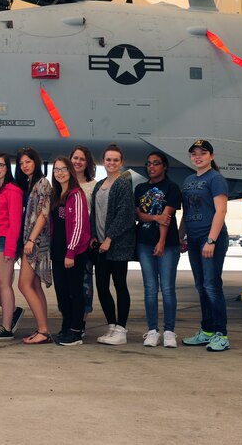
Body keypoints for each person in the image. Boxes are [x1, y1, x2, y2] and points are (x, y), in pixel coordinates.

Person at [179, 139, 231, 352]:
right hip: (192, 239)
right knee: (201, 286)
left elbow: (221, 211)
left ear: (211, 156)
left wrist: (211, 240)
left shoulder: (216, 179)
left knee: (211, 285)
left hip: (210, 239)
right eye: (194, 153)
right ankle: (207, 331)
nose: (198, 156)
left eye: (202, 152)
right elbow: (187, 212)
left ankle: (221, 334)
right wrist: (179, 236)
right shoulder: (189, 180)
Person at [135, 151, 182, 348]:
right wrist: (153, 218)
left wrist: (161, 242)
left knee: (168, 289)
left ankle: (169, 331)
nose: (151, 167)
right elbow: (138, 215)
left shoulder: (171, 188)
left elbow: (167, 217)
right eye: (149, 163)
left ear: (164, 167)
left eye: (156, 163)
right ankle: (153, 330)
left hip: (168, 244)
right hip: (144, 243)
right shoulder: (140, 188)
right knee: (150, 289)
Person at [90, 144, 136, 346]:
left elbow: (125, 215)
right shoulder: (100, 185)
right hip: (100, 245)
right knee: (101, 286)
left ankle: (121, 329)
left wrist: (109, 238)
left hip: (117, 245)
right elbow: (95, 213)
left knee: (119, 285)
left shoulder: (123, 183)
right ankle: (111, 326)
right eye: (108, 159)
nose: (111, 163)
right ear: (103, 161)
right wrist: (94, 236)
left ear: (121, 163)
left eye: (116, 160)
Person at [49, 157, 91, 346]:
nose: (60, 172)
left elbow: (79, 225)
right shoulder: (56, 195)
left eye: (63, 169)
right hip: (57, 252)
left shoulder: (76, 194)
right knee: (62, 292)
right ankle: (66, 326)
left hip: (73, 253)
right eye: (56, 169)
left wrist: (71, 252)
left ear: (70, 171)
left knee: (75, 292)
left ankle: (76, 330)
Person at [15, 147, 53, 345]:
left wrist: (31, 240)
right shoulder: (31, 184)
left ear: (36, 162)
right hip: (30, 240)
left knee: (24, 284)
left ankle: (44, 331)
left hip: (36, 242)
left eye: (28, 162)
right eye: (21, 164)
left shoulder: (43, 184)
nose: (24, 166)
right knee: (35, 286)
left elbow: (43, 214)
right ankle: (42, 329)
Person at [0, 153, 24, 340]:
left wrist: (10, 249)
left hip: (3, 241)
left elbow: (15, 223)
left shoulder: (13, 190)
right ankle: (13, 310)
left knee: (3, 284)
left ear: (7, 167)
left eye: (0, 165)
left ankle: (6, 327)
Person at [71, 145, 97, 323]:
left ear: (87, 163)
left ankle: (81, 322)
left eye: (81, 159)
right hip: (66, 242)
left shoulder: (94, 186)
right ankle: (70, 320)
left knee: (84, 282)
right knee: (67, 284)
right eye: (75, 158)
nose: (77, 162)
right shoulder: (63, 183)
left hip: (85, 242)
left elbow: (96, 214)